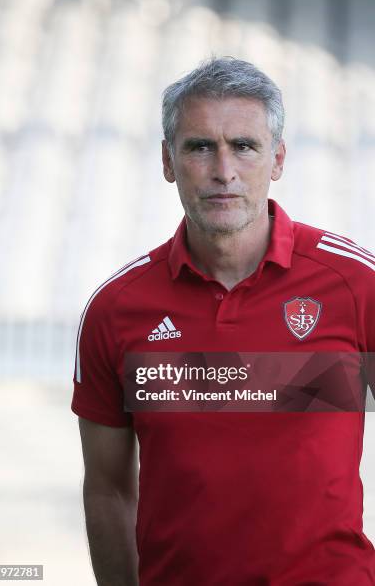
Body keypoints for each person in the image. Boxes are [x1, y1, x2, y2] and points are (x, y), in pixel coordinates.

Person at [71, 57, 375, 585]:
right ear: (168, 161)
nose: (224, 170)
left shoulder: (357, 286)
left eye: (244, 145)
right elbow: (108, 488)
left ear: (277, 159)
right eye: (199, 146)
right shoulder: (115, 309)